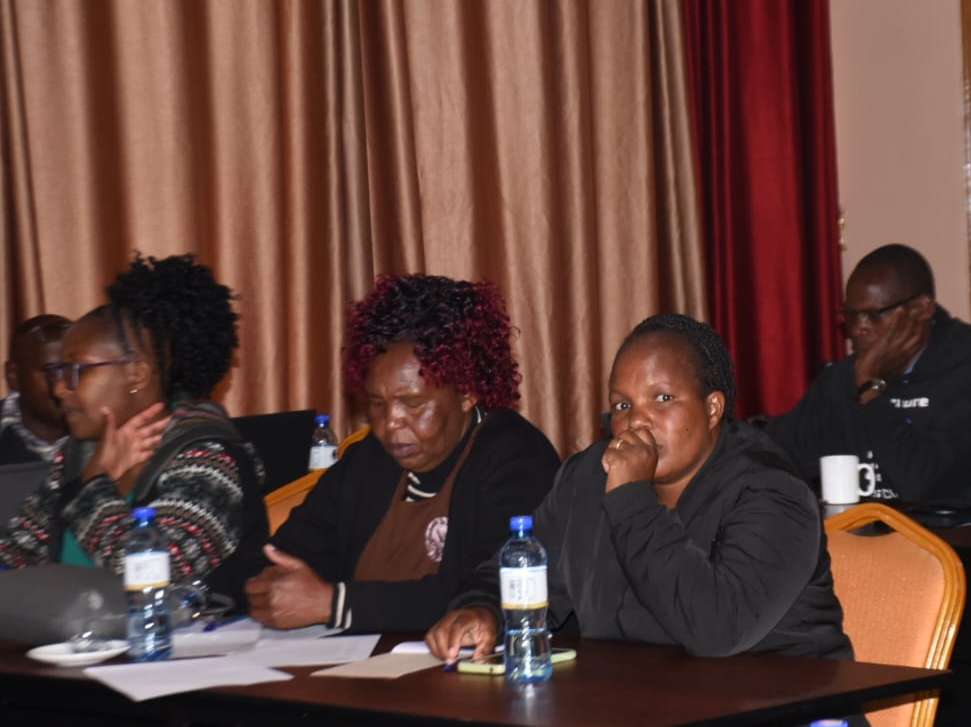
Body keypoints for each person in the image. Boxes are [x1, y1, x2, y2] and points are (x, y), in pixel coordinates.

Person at [428, 313, 851, 664]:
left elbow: (717, 631)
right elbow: (523, 570)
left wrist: (632, 498)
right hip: (638, 705)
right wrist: (482, 610)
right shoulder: (587, 478)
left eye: (662, 399)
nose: (636, 421)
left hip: (783, 708)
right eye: (623, 405)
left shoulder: (772, 494)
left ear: (712, 408)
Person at [246, 274, 560, 633]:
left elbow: (493, 590)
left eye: (412, 403)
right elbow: (289, 552)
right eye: (378, 403)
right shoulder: (368, 460)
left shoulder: (517, 460)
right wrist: (269, 585)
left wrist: (335, 604)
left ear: (467, 392)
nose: (390, 423)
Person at [0, 254, 267, 601]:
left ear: (136, 374)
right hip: (72, 633)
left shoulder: (207, 459)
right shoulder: (77, 452)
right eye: (58, 373)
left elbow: (151, 582)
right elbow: (12, 557)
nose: (60, 389)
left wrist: (93, 486)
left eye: (76, 371)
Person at [767, 244, 971, 510]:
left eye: (873, 315)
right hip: (853, 533)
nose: (859, 328)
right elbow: (778, 451)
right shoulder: (841, 379)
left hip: (946, 533)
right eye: (851, 316)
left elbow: (918, 484)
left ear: (922, 308)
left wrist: (870, 389)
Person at [2, 315, 72, 465]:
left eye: (74, 370)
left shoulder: (108, 434)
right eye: (53, 371)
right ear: (13, 375)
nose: (65, 384)